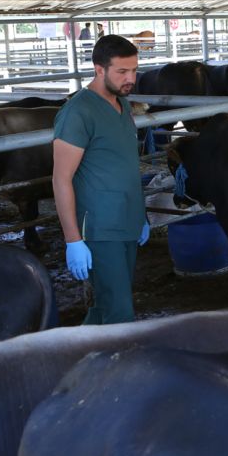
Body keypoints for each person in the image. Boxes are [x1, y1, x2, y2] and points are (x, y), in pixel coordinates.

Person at [52, 35, 149, 324]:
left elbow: (124, 164)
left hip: (127, 220)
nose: (130, 79)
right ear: (99, 69)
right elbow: (61, 179)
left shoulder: (123, 105)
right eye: (122, 71)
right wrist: (73, 240)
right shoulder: (77, 112)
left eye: (134, 70)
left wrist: (141, 215)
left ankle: (80, 349)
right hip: (100, 227)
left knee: (107, 305)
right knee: (120, 313)